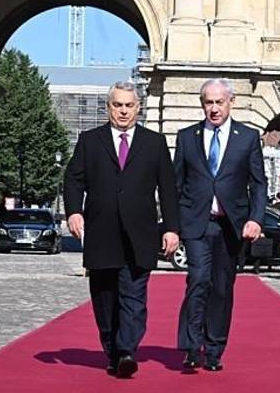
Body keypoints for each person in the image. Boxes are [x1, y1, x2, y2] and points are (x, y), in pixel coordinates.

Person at [63, 81, 180, 378]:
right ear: (108, 108)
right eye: (118, 105)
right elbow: (73, 180)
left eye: (129, 105)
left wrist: (171, 229)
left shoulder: (154, 143)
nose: (124, 111)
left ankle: (127, 349)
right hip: (101, 234)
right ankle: (112, 349)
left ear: (138, 108)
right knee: (104, 298)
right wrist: (74, 212)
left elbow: (167, 189)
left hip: (140, 234)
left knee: (134, 296)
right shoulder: (90, 141)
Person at [173, 78, 267, 372]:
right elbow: (176, 184)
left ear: (231, 102)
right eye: (208, 102)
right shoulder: (187, 136)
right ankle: (190, 346)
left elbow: (259, 184)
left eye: (219, 102)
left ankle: (214, 348)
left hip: (230, 226)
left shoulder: (248, 138)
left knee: (222, 288)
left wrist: (255, 218)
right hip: (196, 223)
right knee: (198, 279)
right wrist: (172, 226)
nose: (214, 109)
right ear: (202, 104)